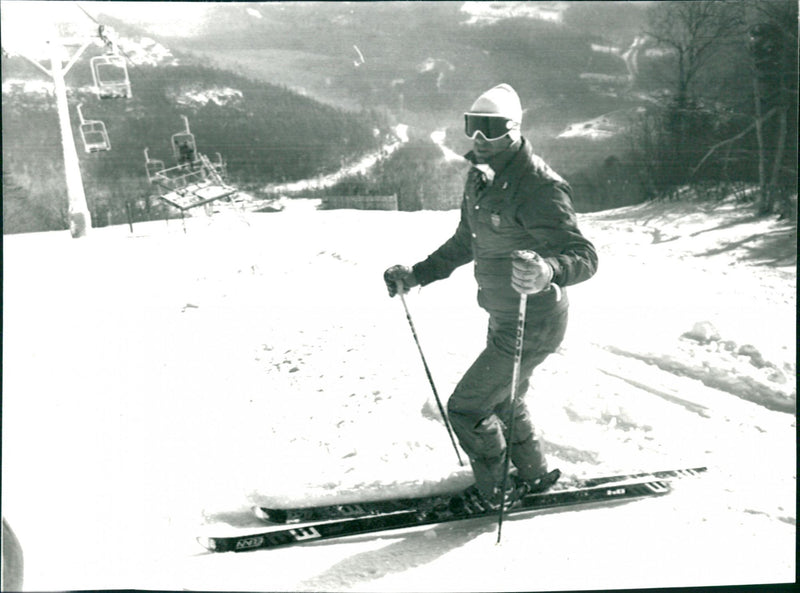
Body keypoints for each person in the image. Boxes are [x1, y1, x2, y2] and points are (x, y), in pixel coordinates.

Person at [383, 84, 598, 509]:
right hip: (504, 313)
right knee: (504, 398)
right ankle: (534, 476)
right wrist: (420, 273)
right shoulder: (482, 175)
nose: (478, 139)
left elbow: (584, 256)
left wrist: (548, 271)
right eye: (472, 127)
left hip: (534, 318)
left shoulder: (539, 186)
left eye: (490, 129)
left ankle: (497, 491)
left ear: (513, 130)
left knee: (467, 408)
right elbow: (468, 240)